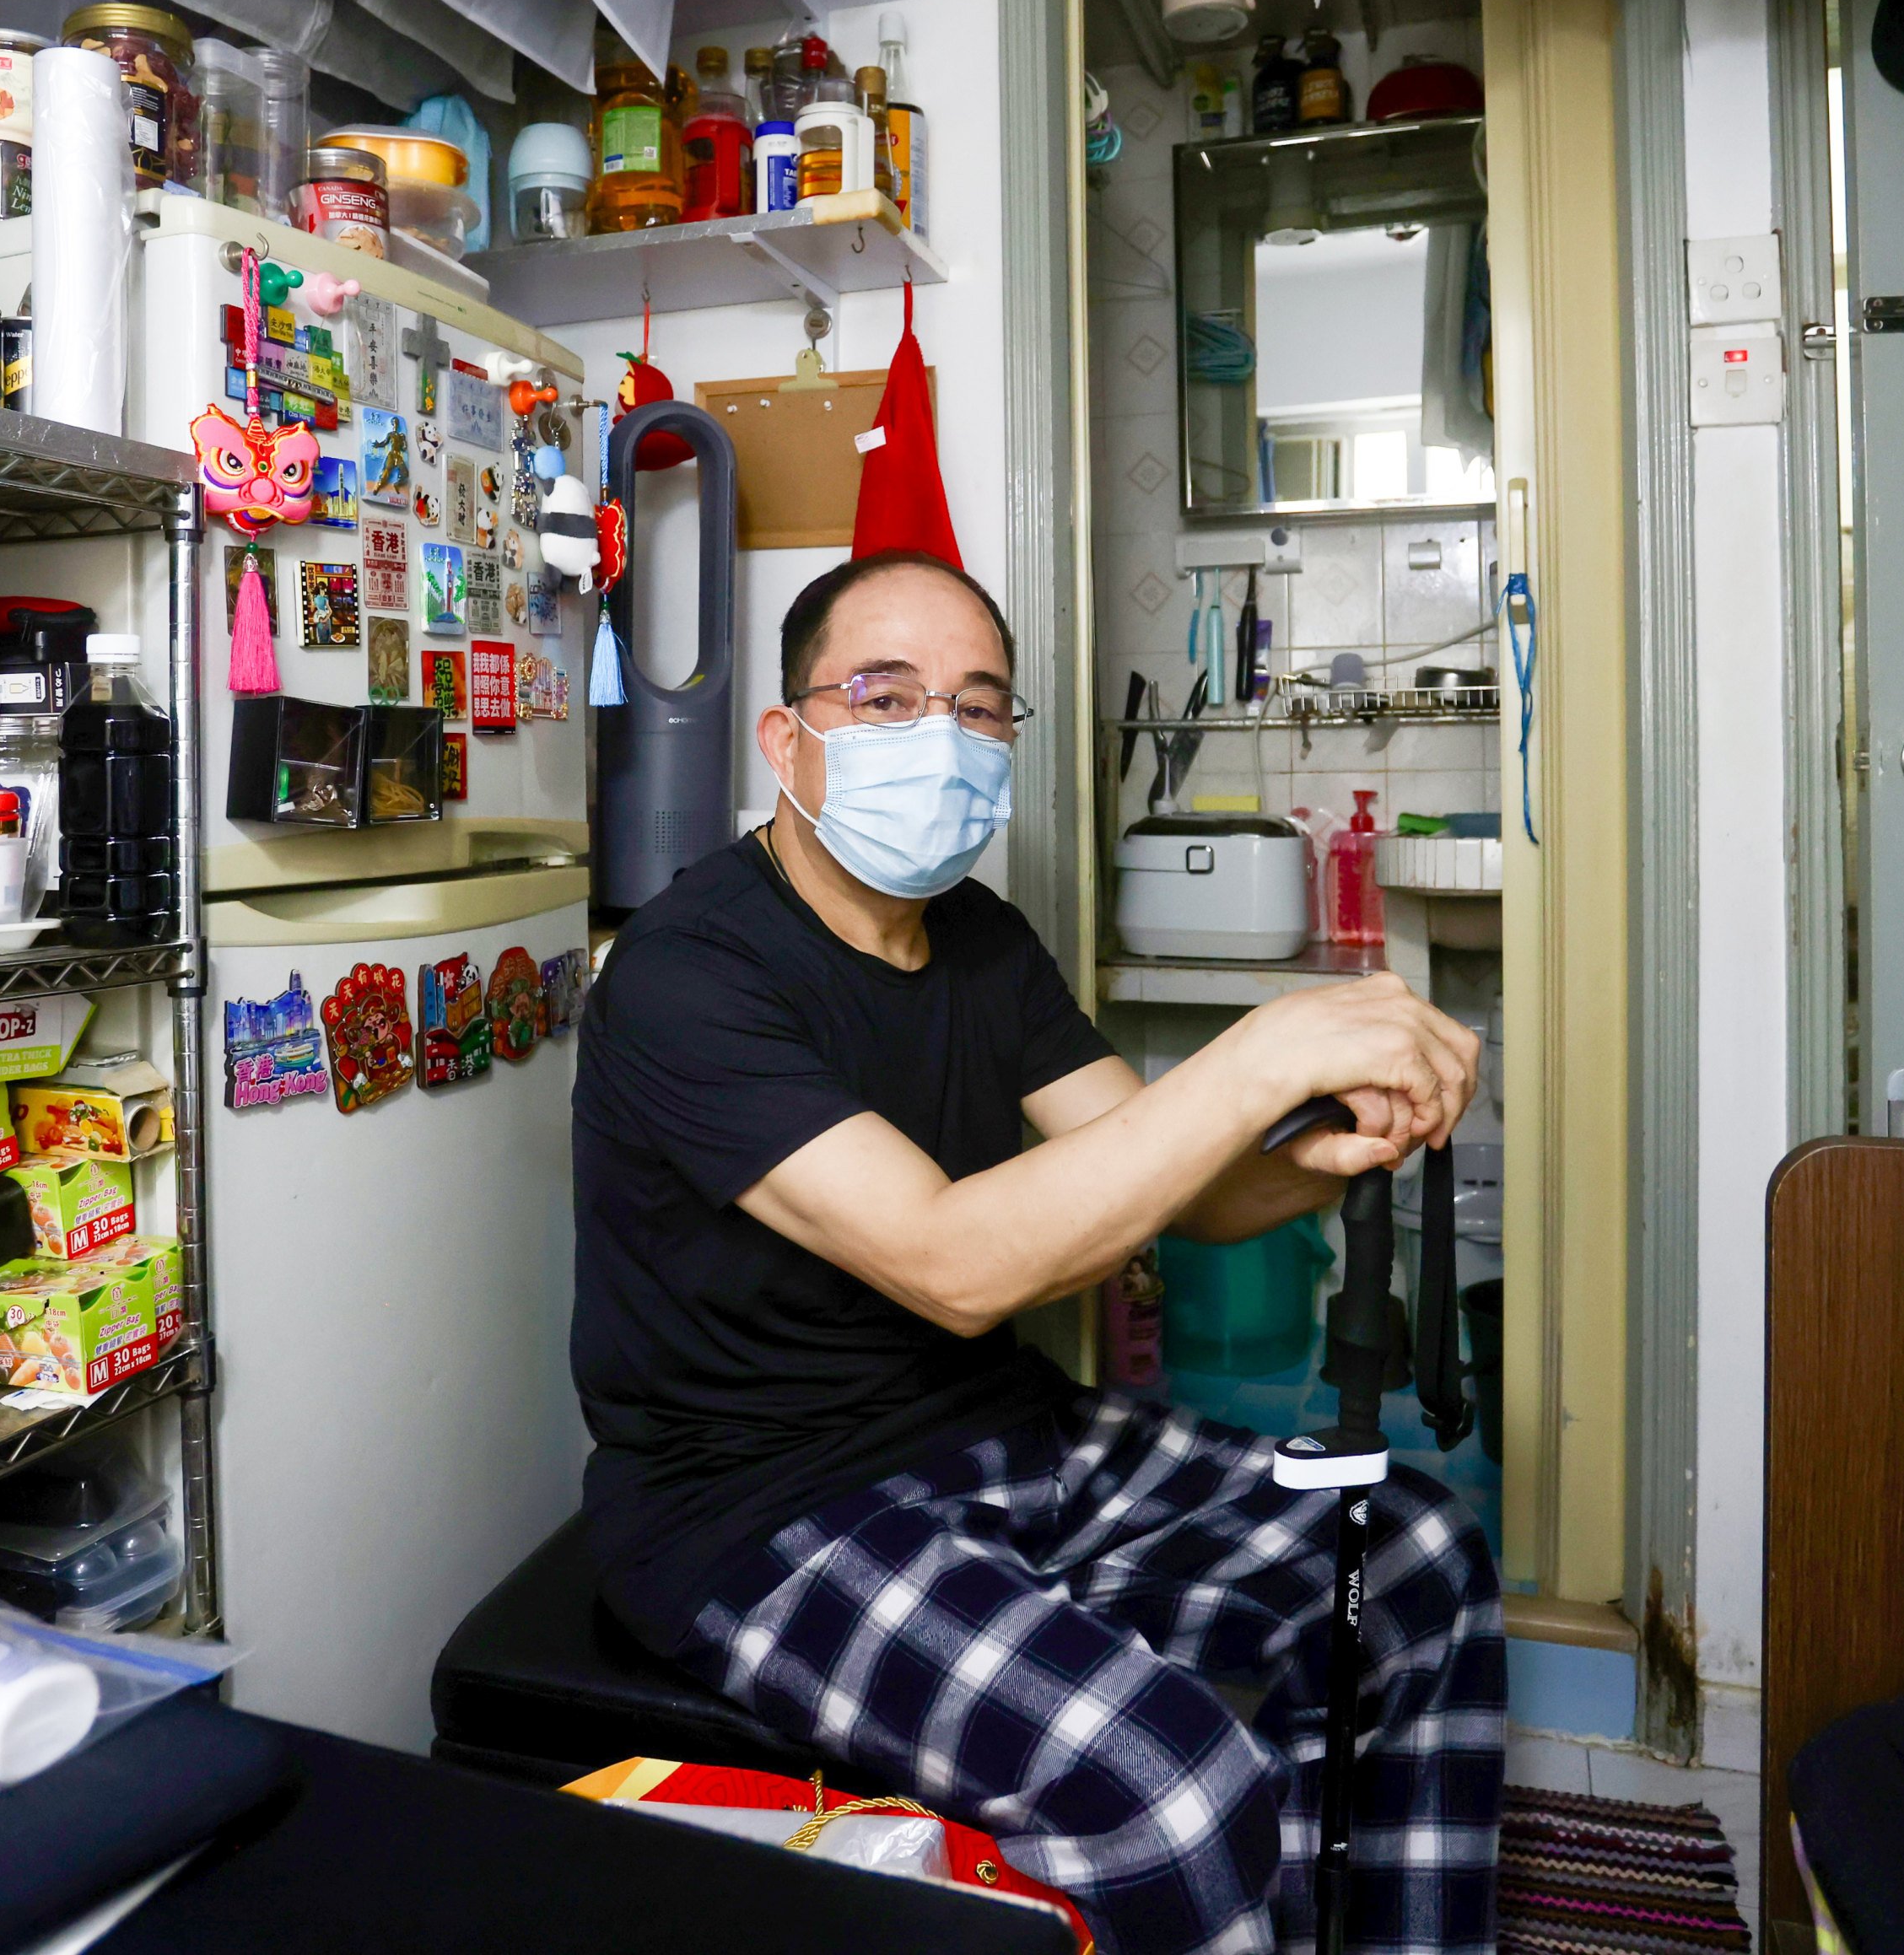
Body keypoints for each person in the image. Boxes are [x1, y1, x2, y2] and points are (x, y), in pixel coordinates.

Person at [573, 548, 1502, 1955]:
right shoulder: (687, 974)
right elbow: (956, 1264)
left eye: (976, 705)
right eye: (884, 698)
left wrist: (1320, 1153)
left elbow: (1173, 1186)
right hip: (765, 1515)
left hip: (1003, 1441)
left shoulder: (982, 941)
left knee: (1420, 1555)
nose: (937, 737)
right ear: (788, 739)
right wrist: (1266, 1049)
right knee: (1177, 1790)